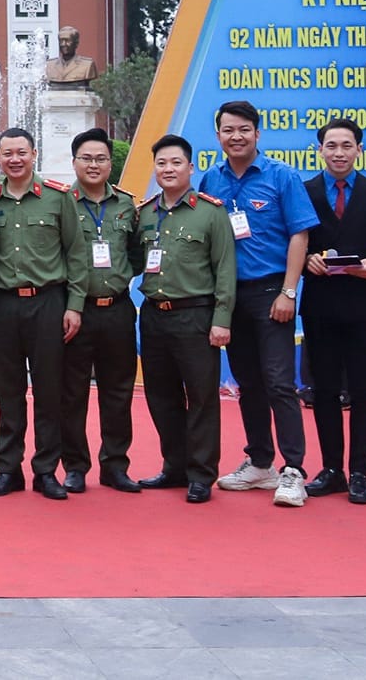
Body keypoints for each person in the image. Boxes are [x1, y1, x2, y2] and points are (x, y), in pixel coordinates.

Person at [197, 100, 317, 507]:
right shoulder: (211, 180)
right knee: (247, 383)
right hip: (230, 296)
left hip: (271, 293)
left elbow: (300, 235)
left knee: (279, 382)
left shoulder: (282, 176)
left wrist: (289, 291)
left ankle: (293, 469)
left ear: (257, 133)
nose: (236, 137)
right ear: (218, 135)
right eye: (228, 130)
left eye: (244, 129)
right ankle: (261, 462)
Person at [298, 117, 366, 506]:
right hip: (320, 304)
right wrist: (307, 259)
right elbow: (293, 241)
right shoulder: (304, 191)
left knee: (362, 390)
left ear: (359, 149)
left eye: (346, 145)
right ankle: (331, 470)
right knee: (323, 390)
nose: (338, 153)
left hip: (364, 305)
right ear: (319, 150)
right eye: (331, 146)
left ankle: (359, 473)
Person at [0, 127, 87, 500]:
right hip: (4, 303)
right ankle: (8, 469)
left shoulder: (58, 198)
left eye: (21, 153)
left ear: (33, 154)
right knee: (8, 391)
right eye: (7, 153)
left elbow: (76, 253)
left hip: (48, 303)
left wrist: (74, 306)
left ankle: (46, 471)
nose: (15, 160)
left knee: (49, 391)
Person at [135, 134, 236, 503]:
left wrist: (222, 319)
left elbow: (225, 269)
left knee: (201, 397)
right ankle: (174, 466)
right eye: (161, 163)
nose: (168, 169)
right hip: (154, 316)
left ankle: (201, 473)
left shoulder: (211, 212)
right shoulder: (145, 213)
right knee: (161, 396)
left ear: (190, 168)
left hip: (195, 315)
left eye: (176, 163)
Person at [58, 128, 143, 494]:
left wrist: (117, 278)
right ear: (74, 162)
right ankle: (75, 466)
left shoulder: (126, 205)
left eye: (101, 159)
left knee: (118, 391)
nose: (93, 165)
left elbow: (137, 255)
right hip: (75, 311)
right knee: (72, 393)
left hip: (117, 310)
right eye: (86, 158)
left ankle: (115, 465)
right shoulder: (61, 202)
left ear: (111, 163)